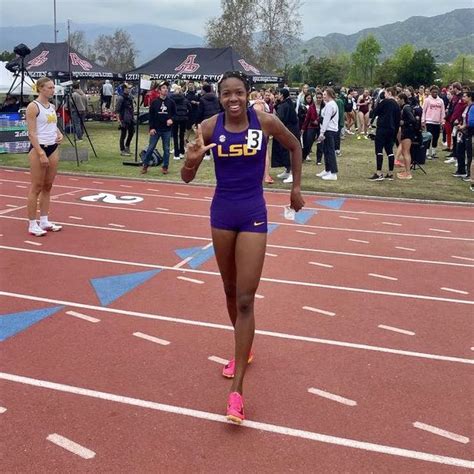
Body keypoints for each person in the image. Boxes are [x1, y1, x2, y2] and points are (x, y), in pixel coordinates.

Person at [181, 71, 304, 424]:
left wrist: (295, 188)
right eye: (226, 94)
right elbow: (186, 178)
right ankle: (242, 349)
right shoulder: (207, 127)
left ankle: (237, 392)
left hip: (253, 212)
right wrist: (191, 161)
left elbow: (294, 145)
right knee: (230, 290)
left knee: (246, 298)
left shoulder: (264, 121)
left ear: (248, 94)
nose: (233, 99)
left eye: (239, 93)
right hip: (222, 213)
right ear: (220, 97)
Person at [25, 76, 63, 237]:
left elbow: (52, 125)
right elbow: (32, 133)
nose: (52, 90)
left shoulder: (52, 107)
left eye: (53, 87)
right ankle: (32, 223)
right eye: (49, 87)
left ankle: (44, 220)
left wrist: (59, 133)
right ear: (40, 88)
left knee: (48, 186)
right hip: (38, 148)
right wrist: (40, 153)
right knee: (36, 186)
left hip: (53, 147)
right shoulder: (33, 107)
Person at [141, 81, 176, 174]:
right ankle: (145, 165)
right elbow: (151, 116)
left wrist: (172, 119)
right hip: (156, 129)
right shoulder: (155, 102)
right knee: (151, 148)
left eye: (166, 88)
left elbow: (175, 114)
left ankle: (165, 167)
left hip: (166, 130)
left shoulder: (171, 102)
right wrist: (151, 128)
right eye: (163, 88)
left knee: (167, 149)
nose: (165, 90)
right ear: (159, 90)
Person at [369, 86, 400, 181]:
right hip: (392, 129)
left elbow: (375, 111)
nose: (384, 94)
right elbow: (398, 120)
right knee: (390, 151)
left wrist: (371, 122)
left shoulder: (384, 102)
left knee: (379, 150)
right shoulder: (396, 104)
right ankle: (390, 173)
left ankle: (379, 172)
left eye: (385, 93)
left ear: (390, 93)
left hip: (382, 128)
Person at [272, 88, 300, 183]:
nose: (277, 95)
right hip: (291, 130)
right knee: (285, 152)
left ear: (282, 95)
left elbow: (279, 119)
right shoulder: (288, 103)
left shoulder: (284, 106)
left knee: (289, 152)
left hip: (289, 131)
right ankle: (288, 170)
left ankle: (292, 173)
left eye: (279, 94)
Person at [317, 88, 339, 181]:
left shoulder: (330, 105)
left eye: (325, 94)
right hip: (330, 129)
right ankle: (328, 169)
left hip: (329, 130)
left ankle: (333, 173)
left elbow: (326, 119)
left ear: (329, 95)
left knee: (330, 151)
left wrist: (322, 132)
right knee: (326, 150)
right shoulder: (331, 104)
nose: (323, 96)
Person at [397, 92, 418, 180]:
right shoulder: (405, 108)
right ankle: (406, 171)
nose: (397, 100)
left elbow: (412, 119)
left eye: (398, 99)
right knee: (405, 151)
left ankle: (408, 173)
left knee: (406, 152)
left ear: (402, 99)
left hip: (408, 132)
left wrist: (404, 122)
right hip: (406, 131)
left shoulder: (406, 108)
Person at [422, 86, 445, 159]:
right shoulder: (427, 100)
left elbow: (442, 112)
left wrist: (442, 121)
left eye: (436, 92)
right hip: (429, 121)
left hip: (437, 122)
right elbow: (423, 111)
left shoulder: (440, 101)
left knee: (436, 137)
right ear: (430, 92)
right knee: (429, 137)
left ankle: (434, 152)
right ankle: (427, 152)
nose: (435, 93)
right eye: (433, 92)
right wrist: (423, 121)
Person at [170, 85, 190, 160]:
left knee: (175, 135)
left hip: (175, 118)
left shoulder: (171, 100)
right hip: (183, 118)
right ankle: (182, 152)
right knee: (181, 135)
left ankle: (176, 154)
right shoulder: (185, 99)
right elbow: (190, 108)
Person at [115, 83, 135, 156]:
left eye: (129, 88)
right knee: (123, 135)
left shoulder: (130, 97)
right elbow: (117, 110)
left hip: (130, 118)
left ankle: (127, 146)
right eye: (127, 88)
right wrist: (118, 120)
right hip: (123, 118)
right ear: (124, 89)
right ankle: (122, 150)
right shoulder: (120, 98)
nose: (129, 89)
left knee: (131, 133)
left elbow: (132, 108)